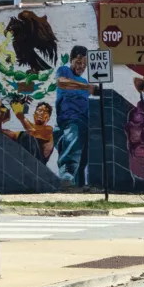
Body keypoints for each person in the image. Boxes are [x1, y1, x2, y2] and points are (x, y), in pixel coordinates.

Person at [54, 46, 94, 186]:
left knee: (83, 158)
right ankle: (66, 174)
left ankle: (78, 185)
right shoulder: (64, 71)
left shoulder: (85, 82)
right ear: (71, 60)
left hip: (85, 122)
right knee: (73, 137)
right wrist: (86, 87)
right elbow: (61, 82)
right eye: (78, 62)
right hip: (69, 119)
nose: (81, 66)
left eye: (84, 64)